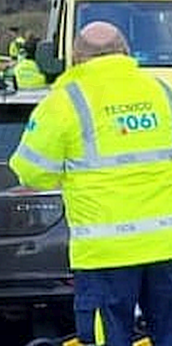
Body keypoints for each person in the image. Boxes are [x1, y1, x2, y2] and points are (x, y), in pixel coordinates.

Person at [9, 21, 172, 346]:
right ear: (125, 52)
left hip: (103, 254)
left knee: (109, 338)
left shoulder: (63, 103)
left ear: (77, 58)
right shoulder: (161, 91)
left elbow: (30, 171)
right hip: (166, 246)